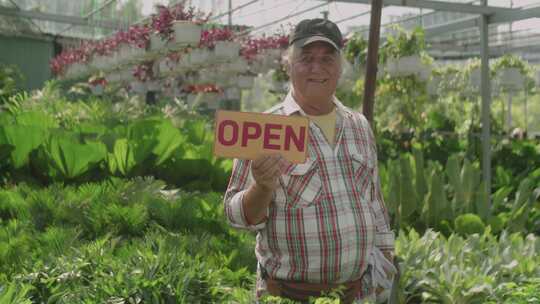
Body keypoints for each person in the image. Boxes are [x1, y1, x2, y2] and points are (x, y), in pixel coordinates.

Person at [224, 18, 395, 304]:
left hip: (357, 293)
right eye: (306, 58)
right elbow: (235, 215)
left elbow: (374, 200)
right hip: (290, 295)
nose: (317, 68)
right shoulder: (266, 127)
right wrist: (262, 188)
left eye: (327, 58)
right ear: (289, 64)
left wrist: (386, 263)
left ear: (340, 67)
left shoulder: (359, 125)